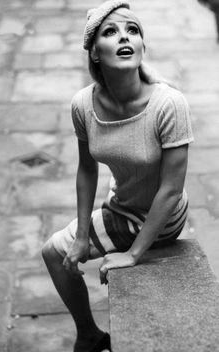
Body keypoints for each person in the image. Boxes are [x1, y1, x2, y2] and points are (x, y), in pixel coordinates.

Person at [42, 1, 194, 351]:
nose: (125, 37)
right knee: (64, 250)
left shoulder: (169, 104)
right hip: (121, 198)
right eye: (111, 32)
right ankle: (90, 333)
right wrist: (81, 235)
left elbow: (171, 190)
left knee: (52, 252)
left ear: (142, 46)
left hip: (160, 214)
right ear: (94, 52)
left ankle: (89, 338)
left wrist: (134, 254)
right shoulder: (83, 104)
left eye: (133, 30)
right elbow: (86, 168)